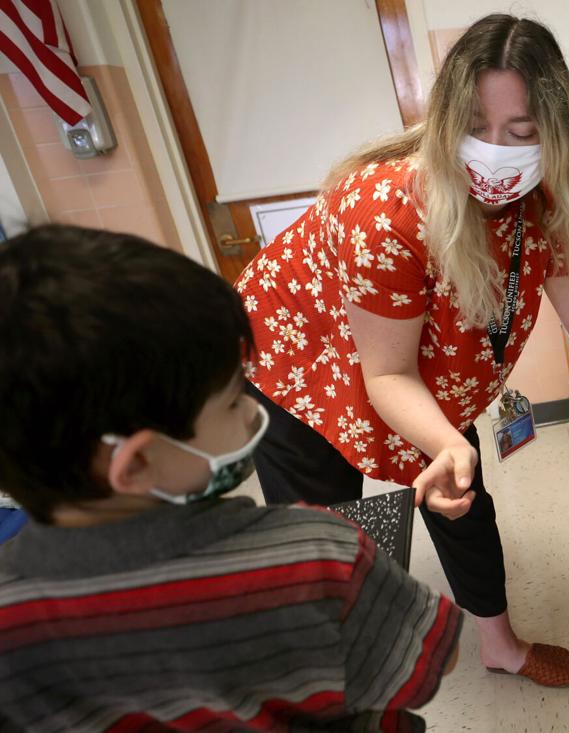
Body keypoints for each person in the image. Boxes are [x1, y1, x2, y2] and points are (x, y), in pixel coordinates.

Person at [236, 13, 569, 687]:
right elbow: (389, 373)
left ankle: (499, 645)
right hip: (300, 358)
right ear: (443, 123)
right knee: (332, 528)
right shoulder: (386, 211)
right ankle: (333, 680)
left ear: (554, 135)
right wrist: (450, 440)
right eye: (474, 130)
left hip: (406, 359)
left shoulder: (549, 202)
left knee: (462, 494)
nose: (494, 154)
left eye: (520, 135)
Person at [0, 226, 461, 731]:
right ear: (135, 463)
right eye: (231, 399)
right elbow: (431, 662)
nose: (250, 412)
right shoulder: (317, 557)